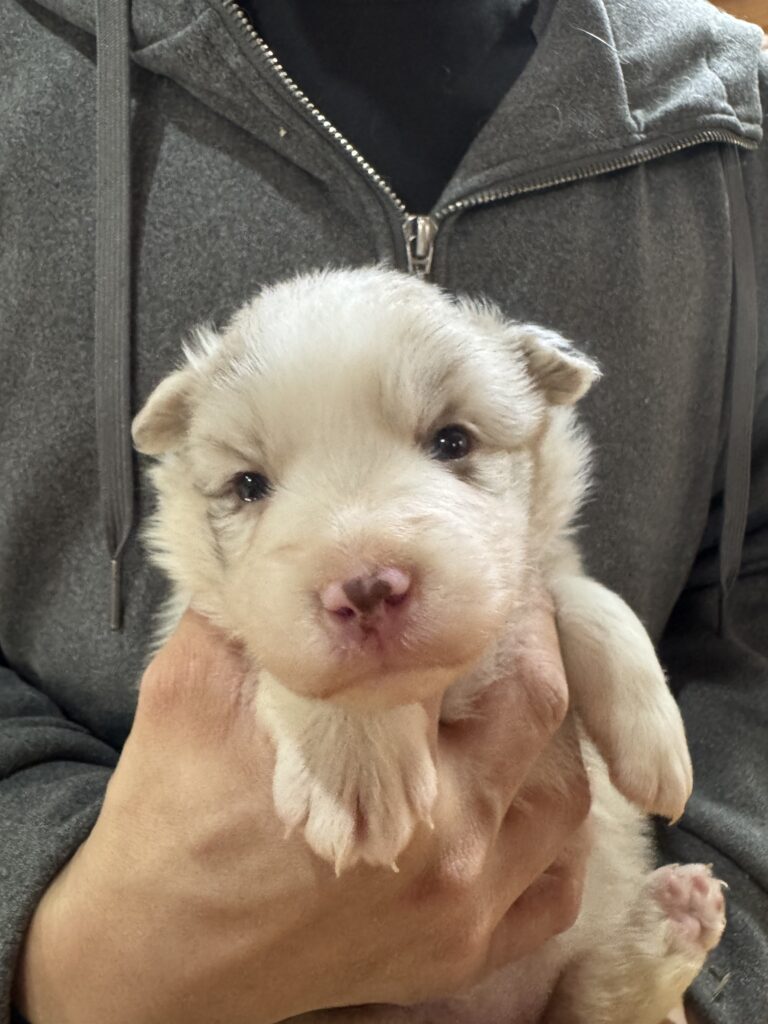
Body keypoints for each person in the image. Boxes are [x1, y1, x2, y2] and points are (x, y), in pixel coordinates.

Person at [0, 0, 766, 1022]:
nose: (364, 569)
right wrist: (62, 959)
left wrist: (724, 985)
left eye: (449, 444)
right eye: (253, 485)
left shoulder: (736, 121)